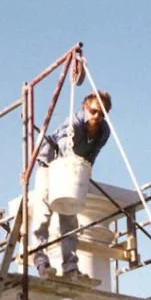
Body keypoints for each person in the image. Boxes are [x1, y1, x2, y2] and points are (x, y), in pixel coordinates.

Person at [33, 90, 112, 280]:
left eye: (102, 114)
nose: (97, 117)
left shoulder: (104, 132)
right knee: (43, 215)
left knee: (69, 218)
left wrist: (83, 173)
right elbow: (63, 145)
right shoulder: (74, 124)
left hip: (72, 168)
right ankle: (42, 263)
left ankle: (70, 268)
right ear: (86, 107)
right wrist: (71, 167)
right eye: (94, 111)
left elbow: (92, 155)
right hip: (51, 166)